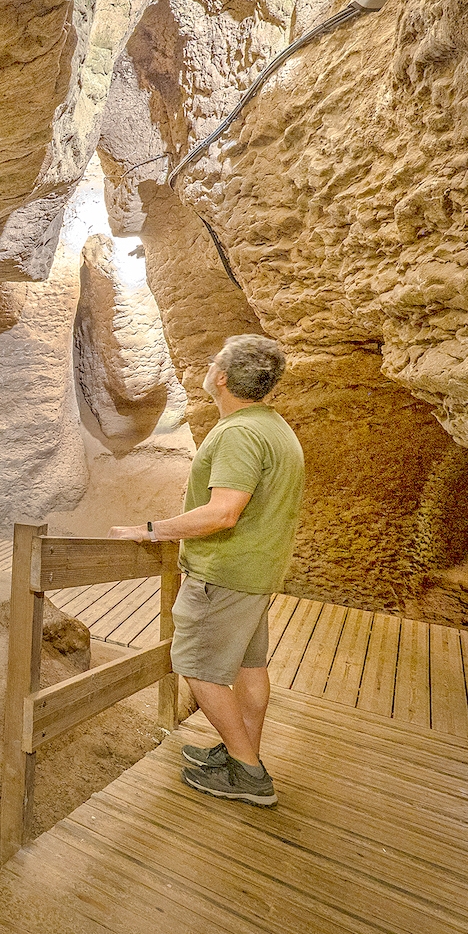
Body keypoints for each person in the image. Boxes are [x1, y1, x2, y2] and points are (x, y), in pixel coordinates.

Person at [109, 334, 304, 807]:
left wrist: (153, 530)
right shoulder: (273, 426)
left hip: (224, 574)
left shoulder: (239, 433)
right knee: (248, 667)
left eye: (215, 360)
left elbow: (223, 513)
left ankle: (248, 772)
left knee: (196, 667)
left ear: (221, 377)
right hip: (254, 574)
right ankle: (242, 752)